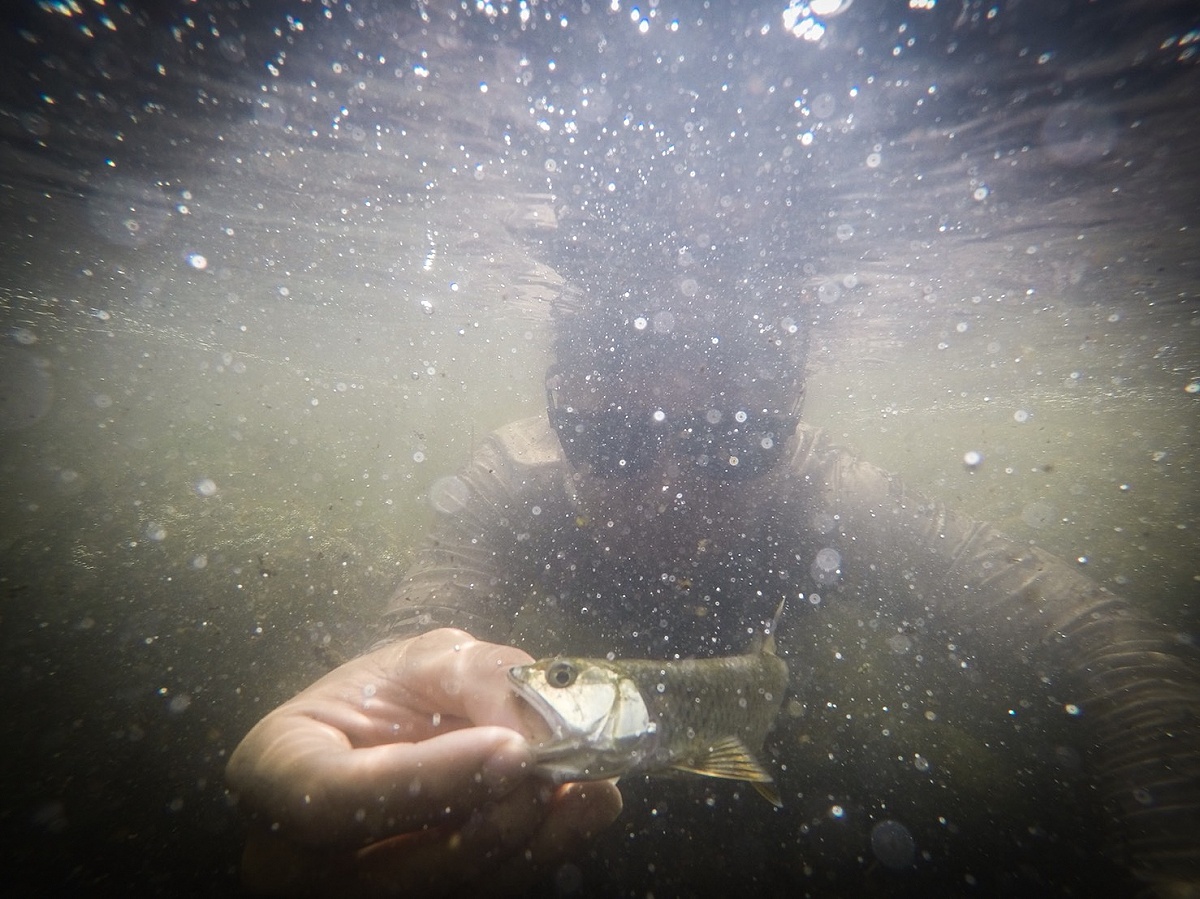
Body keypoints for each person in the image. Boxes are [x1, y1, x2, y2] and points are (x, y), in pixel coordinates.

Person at [227, 283, 1200, 896]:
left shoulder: (833, 493)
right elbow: (418, 645)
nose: (670, 493)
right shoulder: (510, 483)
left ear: (795, 417)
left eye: (736, 440)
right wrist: (375, 782)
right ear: (558, 407)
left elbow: (1116, 653)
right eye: (611, 439)